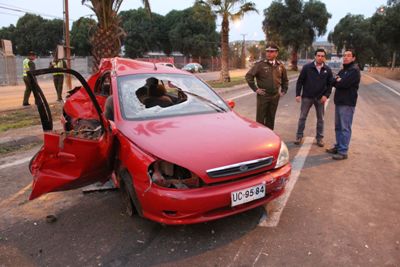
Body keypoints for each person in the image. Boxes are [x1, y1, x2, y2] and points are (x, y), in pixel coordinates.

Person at [294, 48, 333, 147]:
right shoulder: (307, 68)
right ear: (315, 56)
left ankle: (319, 138)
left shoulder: (327, 70)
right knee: (302, 117)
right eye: (318, 55)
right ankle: (299, 136)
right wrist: (298, 94)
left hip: (320, 99)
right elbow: (300, 81)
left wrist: (326, 95)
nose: (320, 57)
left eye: (322, 56)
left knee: (321, 119)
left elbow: (330, 85)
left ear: (324, 58)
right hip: (307, 97)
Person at [326, 50, 361, 160]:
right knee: (338, 127)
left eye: (348, 56)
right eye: (344, 56)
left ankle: (343, 151)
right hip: (339, 102)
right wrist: (338, 80)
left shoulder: (354, 70)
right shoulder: (343, 70)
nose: (345, 57)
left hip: (347, 103)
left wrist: (339, 81)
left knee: (345, 127)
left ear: (353, 58)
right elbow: (332, 81)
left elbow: (344, 84)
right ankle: (338, 146)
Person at [245, 43, 288, 130]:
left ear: (276, 53)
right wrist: (256, 89)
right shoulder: (260, 65)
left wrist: (284, 90)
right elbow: (248, 76)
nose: (268, 53)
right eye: (267, 51)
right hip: (263, 95)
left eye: (271, 52)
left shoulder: (280, 66)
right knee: (260, 118)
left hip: (275, 96)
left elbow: (285, 80)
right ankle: (259, 137)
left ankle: (270, 137)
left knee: (271, 118)